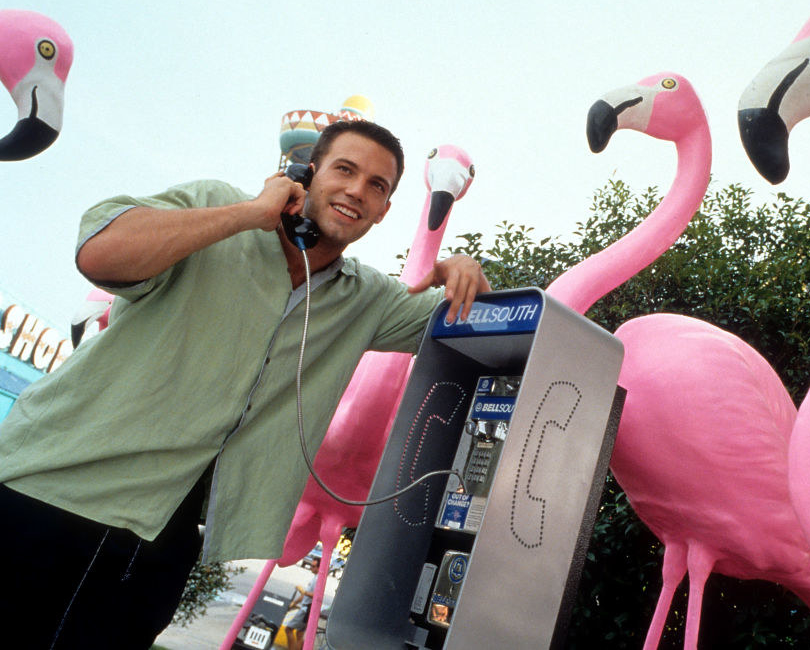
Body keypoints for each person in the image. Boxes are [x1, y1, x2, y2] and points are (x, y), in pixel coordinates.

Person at [0, 119, 490, 649]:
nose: (357, 190)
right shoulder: (214, 206)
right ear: (306, 171)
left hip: (158, 537)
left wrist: (462, 269)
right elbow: (98, 252)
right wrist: (246, 216)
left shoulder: (366, 299)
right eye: (345, 170)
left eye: (377, 185)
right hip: (45, 492)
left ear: (386, 210)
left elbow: (473, 331)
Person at [283, 557, 320, 650]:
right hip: (305, 607)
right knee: (299, 633)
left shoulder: (318, 579)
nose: (311, 568)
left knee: (289, 629)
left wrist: (303, 592)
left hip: (307, 608)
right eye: (311, 565)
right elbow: (305, 594)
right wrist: (295, 602)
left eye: (313, 566)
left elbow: (316, 595)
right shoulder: (315, 578)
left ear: (319, 567)